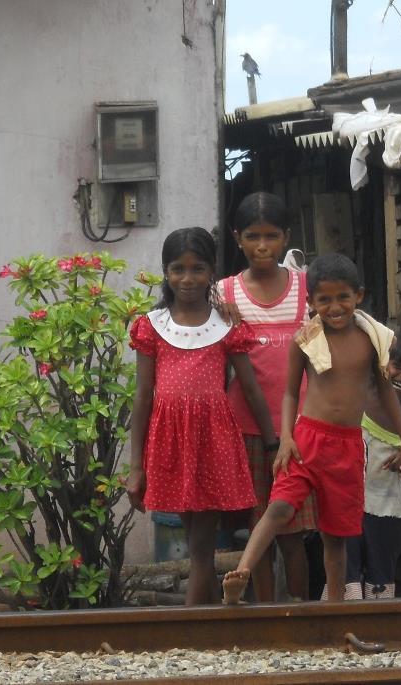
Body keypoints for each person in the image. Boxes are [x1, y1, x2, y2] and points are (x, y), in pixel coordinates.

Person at [222, 253, 401, 604]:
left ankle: (335, 608)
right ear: (310, 302)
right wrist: (285, 439)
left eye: (343, 297)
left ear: (359, 296)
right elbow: (289, 393)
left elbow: (386, 391)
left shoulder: (371, 340)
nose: (335, 306)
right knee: (279, 506)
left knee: (336, 537)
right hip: (307, 439)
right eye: (324, 299)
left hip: (348, 446)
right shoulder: (305, 340)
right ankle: (243, 571)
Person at [126, 226, 276, 606]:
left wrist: (274, 442)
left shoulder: (225, 323)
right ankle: (210, 625)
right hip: (171, 444)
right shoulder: (152, 325)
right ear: (165, 271)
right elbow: (143, 396)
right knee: (197, 544)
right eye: (178, 269)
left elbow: (251, 388)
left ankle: (191, 632)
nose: (187, 278)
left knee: (201, 548)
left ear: (212, 272)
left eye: (197, 269)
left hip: (212, 443)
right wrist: (135, 467)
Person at [220, 191, 317, 602]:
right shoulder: (223, 293)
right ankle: (262, 612)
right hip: (248, 431)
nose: (263, 246)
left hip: (298, 429)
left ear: (287, 237)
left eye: (272, 236)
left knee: (293, 533)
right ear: (237, 237)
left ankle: (297, 610)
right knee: (260, 527)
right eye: (253, 236)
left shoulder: (306, 288)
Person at [342, 334, 401, 600]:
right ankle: (342, 625)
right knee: (347, 572)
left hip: (386, 507)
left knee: (381, 573)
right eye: (398, 365)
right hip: (347, 502)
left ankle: (378, 628)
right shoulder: (356, 399)